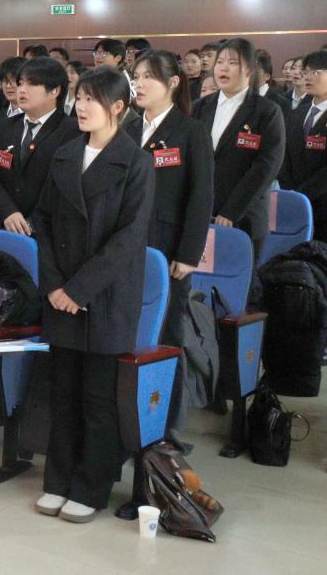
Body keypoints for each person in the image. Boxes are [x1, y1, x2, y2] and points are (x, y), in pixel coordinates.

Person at [32, 66, 154, 523]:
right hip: (61, 291)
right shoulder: (65, 154)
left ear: (117, 107)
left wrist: (79, 289)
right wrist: (54, 285)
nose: (81, 107)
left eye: (91, 100)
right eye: (78, 98)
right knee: (63, 393)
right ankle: (58, 480)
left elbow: (129, 238)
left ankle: (91, 487)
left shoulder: (135, 163)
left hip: (105, 295)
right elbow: (42, 221)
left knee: (98, 400)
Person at [128, 50, 213, 434]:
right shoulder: (129, 128)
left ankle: (167, 425)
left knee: (167, 334)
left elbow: (201, 196)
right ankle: (133, 416)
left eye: (149, 77)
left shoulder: (191, 131)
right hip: (130, 246)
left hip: (169, 248)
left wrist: (189, 253)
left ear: (173, 83)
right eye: (136, 76)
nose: (139, 84)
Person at [190, 38, 285, 268]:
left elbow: (266, 166)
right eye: (220, 62)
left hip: (244, 216)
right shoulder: (200, 107)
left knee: (237, 282)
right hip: (201, 214)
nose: (223, 68)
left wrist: (232, 211)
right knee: (196, 283)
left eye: (232, 63)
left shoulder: (266, 111)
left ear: (250, 69)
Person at [0, 58, 76, 235]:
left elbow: (65, 186)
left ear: (54, 91)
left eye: (32, 83)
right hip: (4, 223)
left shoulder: (72, 131)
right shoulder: (0, 126)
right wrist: (8, 211)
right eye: (21, 83)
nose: (22, 89)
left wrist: (32, 223)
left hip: (49, 232)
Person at [280, 50, 327, 255]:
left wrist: (303, 193)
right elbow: (284, 156)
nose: (307, 77)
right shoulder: (296, 113)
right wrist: (292, 193)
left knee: (325, 266)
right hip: (294, 207)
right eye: (306, 72)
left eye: (315, 72)